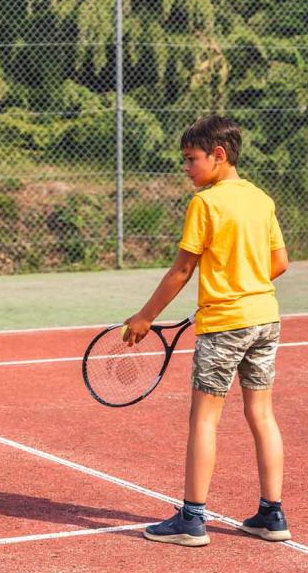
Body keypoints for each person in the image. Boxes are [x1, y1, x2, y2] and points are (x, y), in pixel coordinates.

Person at [122, 114, 291, 547]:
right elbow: (279, 264)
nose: (186, 168)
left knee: (204, 421)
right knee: (262, 415)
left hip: (225, 325)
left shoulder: (206, 203)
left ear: (218, 156)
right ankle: (272, 515)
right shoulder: (261, 199)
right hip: (265, 320)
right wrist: (239, 290)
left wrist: (143, 318)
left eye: (191, 159)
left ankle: (192, 520)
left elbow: (181, 271)